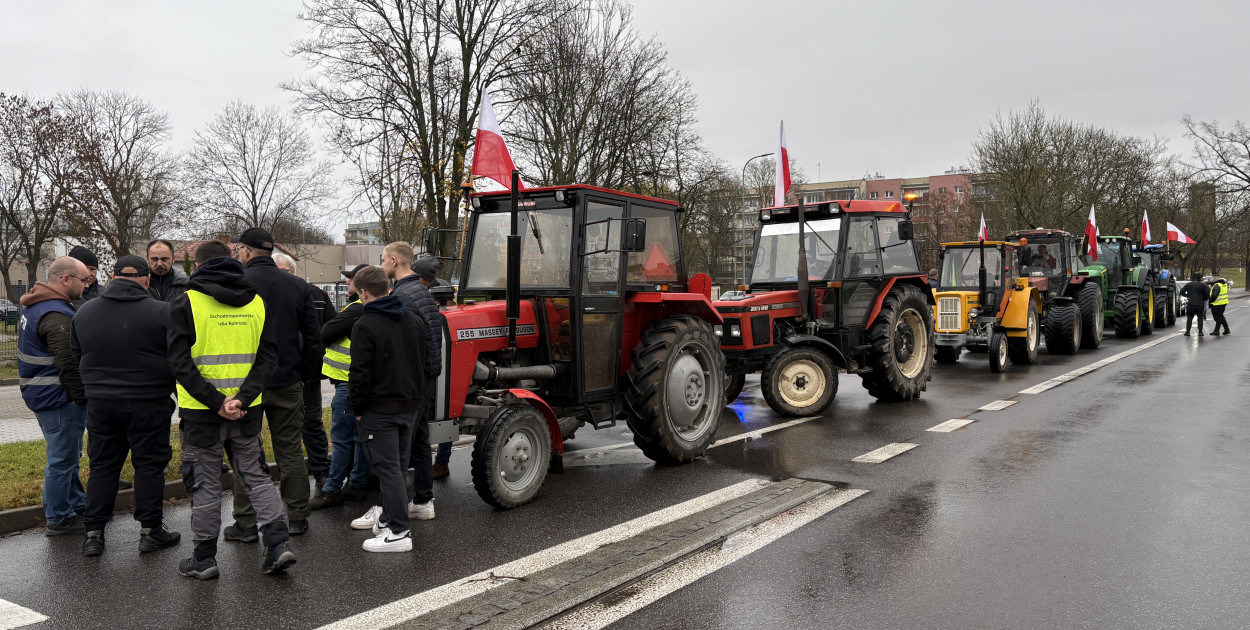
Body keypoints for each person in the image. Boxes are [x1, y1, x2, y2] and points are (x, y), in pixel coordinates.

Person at [169, 240, 294, 580]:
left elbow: (179, 363)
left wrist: (216, 402)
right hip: (247, 409)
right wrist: (242, 397)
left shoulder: (186, 302)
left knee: (205, 483)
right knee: (255, 475)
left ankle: (204, 558)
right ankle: (277, 544)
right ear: (231, 261)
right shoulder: (257, 302)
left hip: (201, 412)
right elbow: (268, 358)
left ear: (197, 265)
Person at [73, 255, 181, 557]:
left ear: (112, 276)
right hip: (150, 402)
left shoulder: (85, 311)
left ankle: (93, 534)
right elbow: (178, 356)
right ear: (146, 279)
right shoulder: (163, 311)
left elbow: (76, 353)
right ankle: (150, 531)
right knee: (149, 466)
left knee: (103, 467)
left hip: (101, 404)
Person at [226, 228, 321, 540]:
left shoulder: (236, 283)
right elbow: (313, 339)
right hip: (287, 379)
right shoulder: (297, 285)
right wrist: (304, 374)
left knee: (246, 452)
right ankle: (297, 516)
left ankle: (246, 522)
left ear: (246, 251)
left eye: (239, 250)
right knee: (290, 450)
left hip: (247, 384)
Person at [347, 266, 427, 553]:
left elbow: (359, 374)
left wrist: (358, 408)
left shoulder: (365, 325)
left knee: (388, 470)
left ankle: (398, 532)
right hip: (410, 405)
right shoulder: (414, 321)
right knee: (398, 467)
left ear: (363, 292)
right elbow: (423, 364)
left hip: (380, 409)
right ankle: (388, 520)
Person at [366, 241, 441, 528]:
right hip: (426, 378)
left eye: (383, 259)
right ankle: (422, 501)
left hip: (412, 382)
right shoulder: (421, 291)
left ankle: (388, 513)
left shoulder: (403, 296)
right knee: (419, 440)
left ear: (394, 261)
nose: (381, 264)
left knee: (398, 447)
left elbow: (402, 345)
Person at [19, 256, 90, 535]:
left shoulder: (37, 305)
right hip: (59, 397)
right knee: (63, 459)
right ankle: (59, 517)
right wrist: (80, 397)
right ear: (65, 279)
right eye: (83, 280)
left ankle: (76, 504)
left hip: (44, 394)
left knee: (68, 454)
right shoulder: (55, 314)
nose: (86, 285)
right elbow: (69, 362)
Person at [310, 264, 370, 509]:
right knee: (359, 438)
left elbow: (326, 332)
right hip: (361, 383)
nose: (347, 282)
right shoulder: (374, 308)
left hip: (347, 383)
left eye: (351, 279)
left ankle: (332, 489)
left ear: (362, 285)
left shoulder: (356, 309)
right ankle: (356, 485)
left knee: (342, 438)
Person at [274, 252, 332, 490]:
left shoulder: (316, 294)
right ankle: (288, 476)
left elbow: (328, 327)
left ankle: (321, 470)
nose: (281, 277)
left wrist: (311, 367)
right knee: (283, 429)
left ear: (293, 272)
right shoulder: (265, 294)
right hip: (278, 374)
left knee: (312, 423)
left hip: (307, 373)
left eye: (284, 272)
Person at [414, 254, 454, 480]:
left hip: (442, 374)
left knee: (446, 415)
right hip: (432, 372)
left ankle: (441, 461)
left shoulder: (444, 315)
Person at [1180, 272, 1211, 336]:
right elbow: (1207, 294)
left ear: (1193, 277)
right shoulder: (1203, 285)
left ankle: (1188, 332)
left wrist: (1187, 296)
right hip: (1200, 303)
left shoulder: (1188, 284)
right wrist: (1204, 298)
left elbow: (1181, 292)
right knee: (1200, 317)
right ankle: (1200, 332)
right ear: (1200, 278)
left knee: (1189, 317)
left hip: (1191, 303)